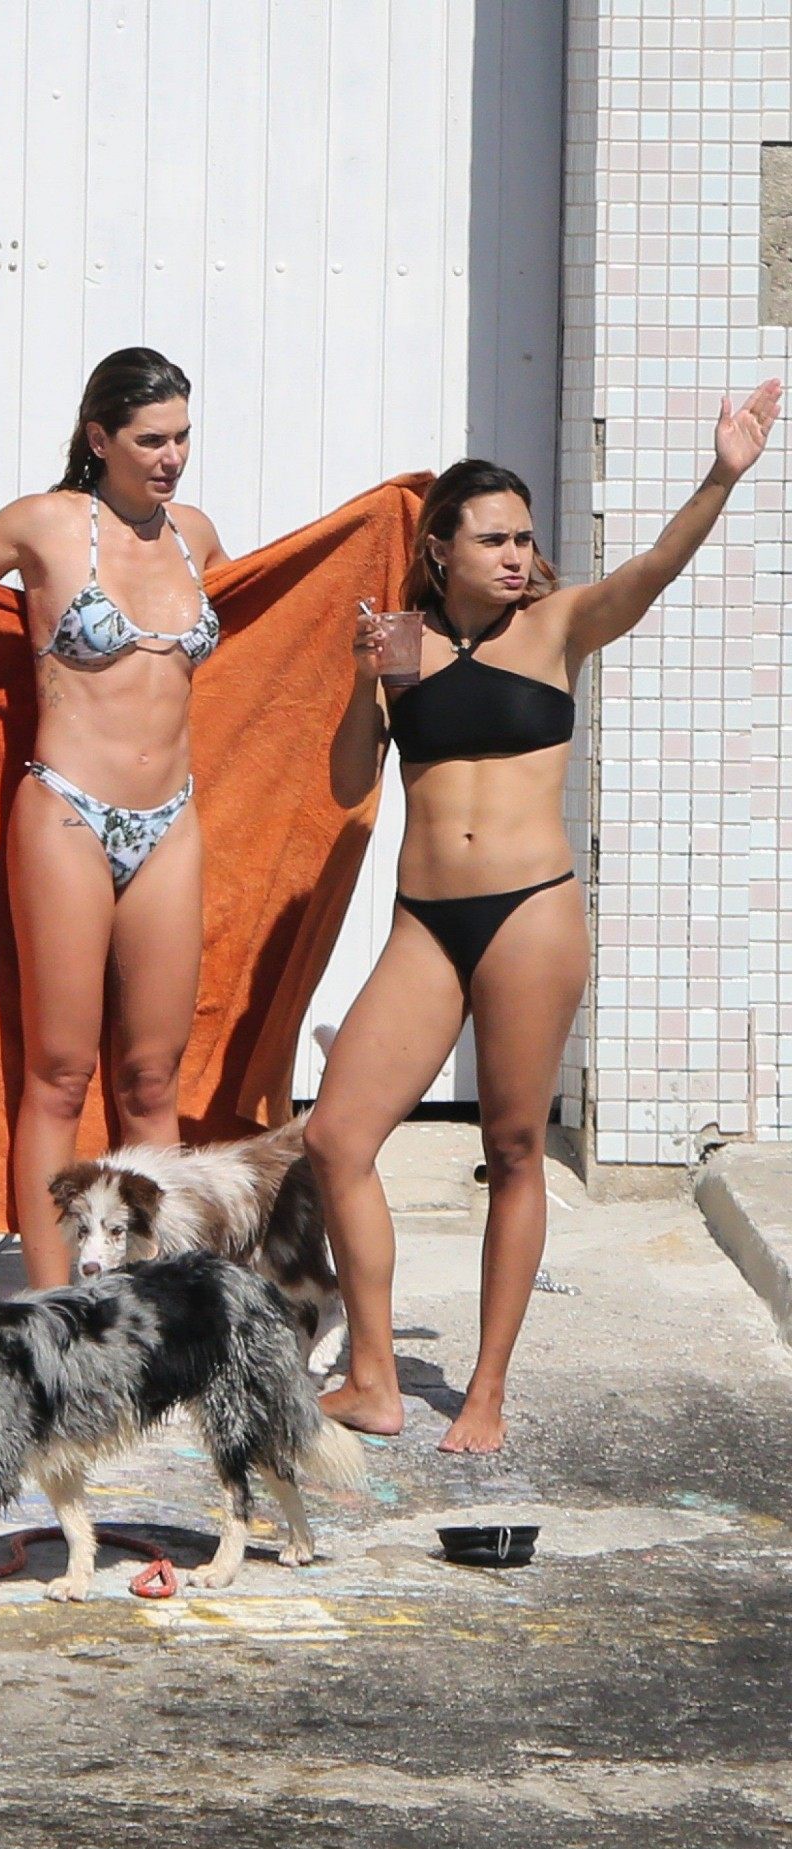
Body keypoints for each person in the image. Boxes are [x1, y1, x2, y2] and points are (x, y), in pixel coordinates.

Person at [304, 379, 782, 1453]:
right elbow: (345, 786)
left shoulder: (560, 625)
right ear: (442, 551)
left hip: (530, 914)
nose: (518, 555)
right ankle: (375, 1375)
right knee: (337, 1136)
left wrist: (723, 473)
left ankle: (484, 1392)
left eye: (525, 537)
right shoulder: (403, 644)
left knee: (514, 1147)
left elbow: (655, 570)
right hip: (427, 920)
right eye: (494, 540)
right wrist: (363, 681)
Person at [0, 348, 228, 1288]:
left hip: (171, 821)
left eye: (183, 436)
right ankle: (50, 1307)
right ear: (98, 438)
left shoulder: (196, 534)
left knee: (152, 1082)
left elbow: (281, 605)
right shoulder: (44, 525)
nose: (171, 457)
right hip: (66, 810)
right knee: (60, 1074)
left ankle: (157, 1308)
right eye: (151, 440)